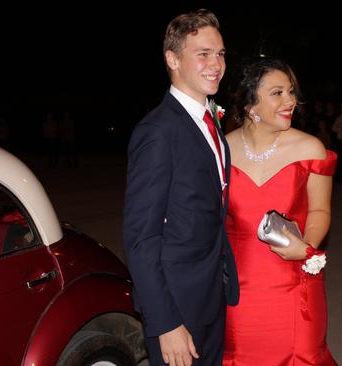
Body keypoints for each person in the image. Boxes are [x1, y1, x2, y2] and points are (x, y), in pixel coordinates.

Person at [123, 9, 239, 366]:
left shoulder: (210, 121)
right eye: (202, 54)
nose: (216, 64)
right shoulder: (158, 131)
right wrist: (166, 322)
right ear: (172, 59)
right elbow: (141, 236)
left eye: (219, 54)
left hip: (210, 292)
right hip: (177, 304)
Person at [223, 57, 338, 365]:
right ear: (250, 104)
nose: (291, 101)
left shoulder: (310, 148)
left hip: (294, 285)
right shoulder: (221, 151)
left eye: (291, 92)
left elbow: (320, 212)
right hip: (238, 291)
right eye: (277, 93)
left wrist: (308, 246)